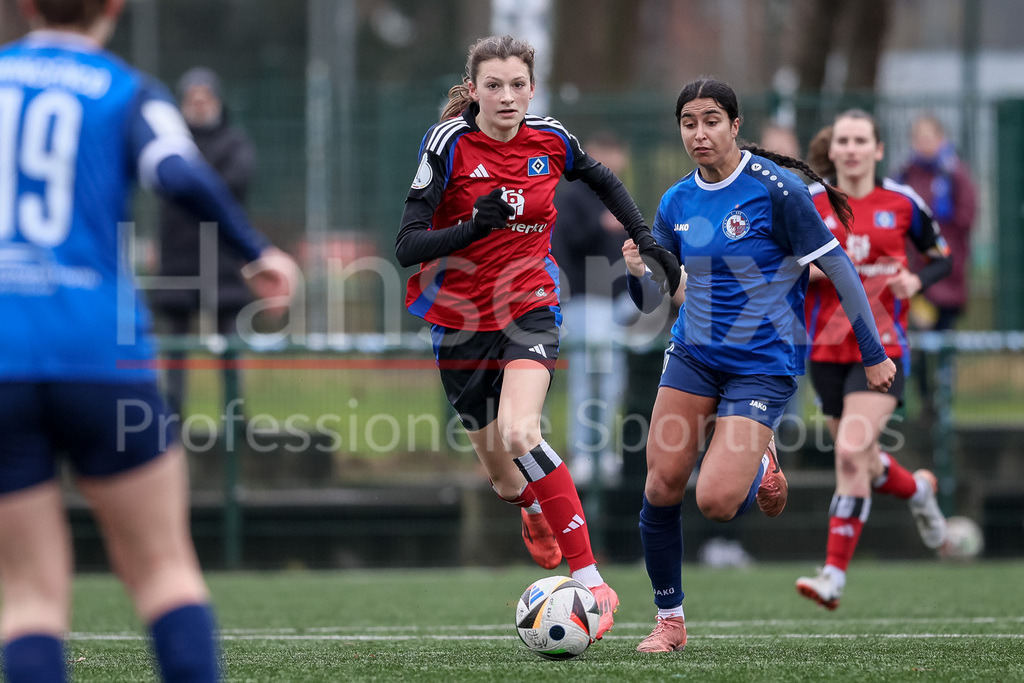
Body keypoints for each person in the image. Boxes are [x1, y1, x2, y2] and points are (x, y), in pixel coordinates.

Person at [0, 1, 299, 681]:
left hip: (4, 357)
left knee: (28, 600)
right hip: (100, 353)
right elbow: (179, 172)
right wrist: (254, 250)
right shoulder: (126, 90)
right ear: (114, 7)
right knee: (165, 571)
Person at [394, 35, 680, 641]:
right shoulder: (446, 143)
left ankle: (592, 580)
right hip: (460, 320)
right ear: (473, 91)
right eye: (493, 86)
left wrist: (647, 241)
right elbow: (406, 246)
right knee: (503, 479)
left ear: (533, 87)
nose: (506, 96)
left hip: (531, 303)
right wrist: (474, 226)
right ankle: (530, 506)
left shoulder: (551, 139)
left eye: (517, 85)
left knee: (524, 431)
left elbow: (604, 181)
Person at [624, 77, 896, 653]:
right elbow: (654, 302)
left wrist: (874, 353)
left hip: (762, 364)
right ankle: (669, 622)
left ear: (735, 124)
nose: (699, 133)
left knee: (716, 503)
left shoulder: (777, 190)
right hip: (693, 354)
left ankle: (760, 459)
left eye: (711, 121)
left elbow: (841, 269)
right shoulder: (675, 202)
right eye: (689, 122)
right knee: (662, 482)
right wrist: (635, 272)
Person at [796, 110, 952, 610]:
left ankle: (832, 577)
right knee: (859, 456)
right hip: (824, 349)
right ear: (833, 148)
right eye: (843, 140)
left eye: (862, 140)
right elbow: (782, 264)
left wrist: (917, 282)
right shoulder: (811, 202)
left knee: (848, 451)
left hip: (882, 349)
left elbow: (942, 256)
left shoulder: (903, 202)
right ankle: (918, 491)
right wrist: (814, 272)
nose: (852, 148)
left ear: (879, 150)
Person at [148, 66, 258, 419]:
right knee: (175, 345)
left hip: (223, 258)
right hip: (179, 258)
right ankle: (172, 417)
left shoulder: (234, 142)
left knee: (229, 343)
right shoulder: (169, 147)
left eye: (204, 98)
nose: (198, 105)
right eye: (191, 98)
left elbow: (234, 184)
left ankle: (234, 418)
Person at [550, 131, 633, 486]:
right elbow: (564, 247)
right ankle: (585, 454)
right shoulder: (574, 198)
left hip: (621, 304)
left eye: (615, 151)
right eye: (602, 152)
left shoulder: (620, 198)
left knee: (615, 380)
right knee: (590, 379)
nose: (609, 160)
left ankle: (606, 453)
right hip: (587, 302)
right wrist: (599, 227)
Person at [896, 114, 977, 331]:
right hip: (914, 268)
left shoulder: (955, 174)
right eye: (919, 138)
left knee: (944, 332)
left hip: (947, 267)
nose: (924, 143)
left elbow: (967, 216)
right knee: (916, 337)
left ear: (941, 138)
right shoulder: (905, 175)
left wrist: (941, 237)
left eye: (929, 137)